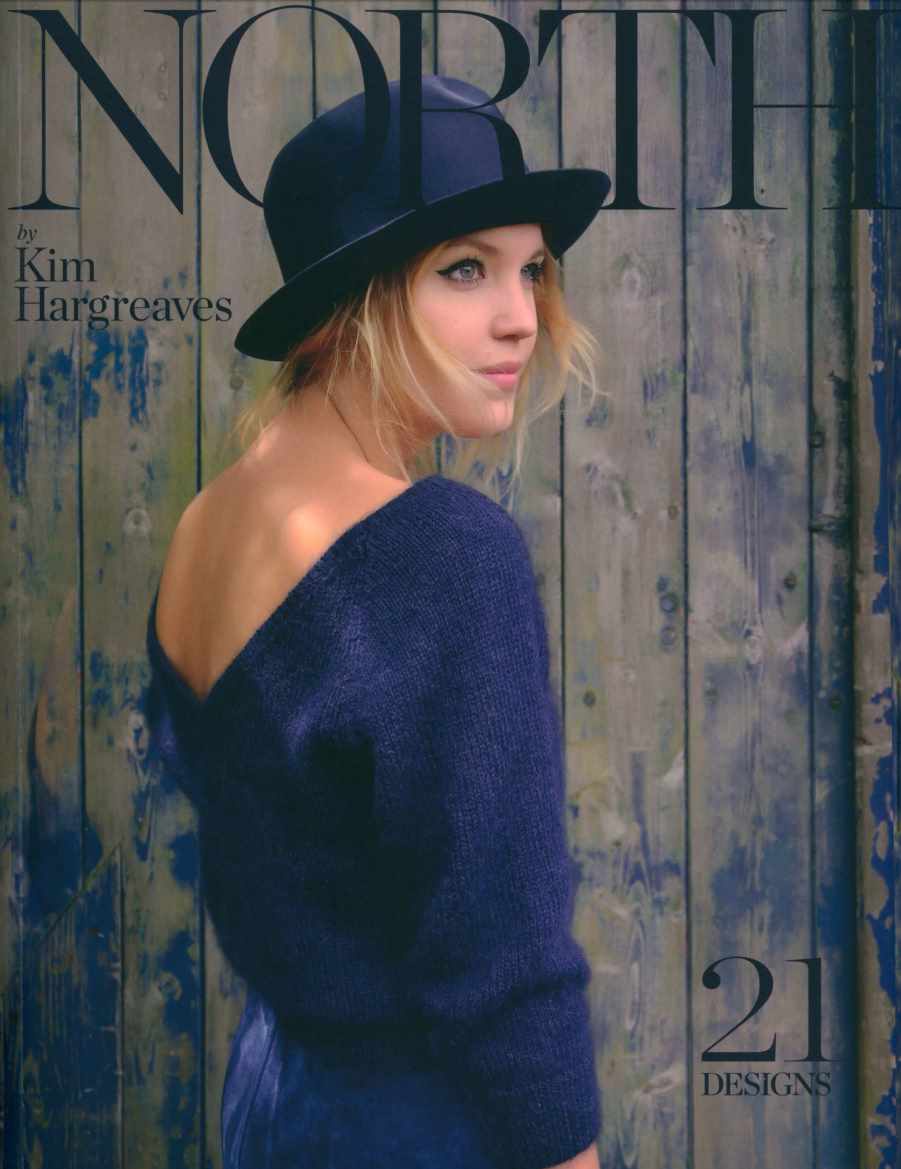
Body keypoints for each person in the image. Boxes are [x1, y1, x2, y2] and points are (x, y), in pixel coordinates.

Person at [145, 75, 610, 1169]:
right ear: (346, 301)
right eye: (464, 269)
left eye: (531, 269)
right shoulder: (445, 553)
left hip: (272, 1108)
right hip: (425, 1126)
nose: (521, 315)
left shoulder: (204, 529)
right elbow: (504, 965)